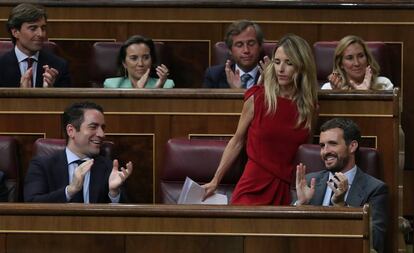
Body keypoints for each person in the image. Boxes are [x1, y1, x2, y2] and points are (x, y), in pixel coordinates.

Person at [202, 34, 318, 205]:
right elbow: (237, 141)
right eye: (277, 62)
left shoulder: (310, 108)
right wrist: (215, 179)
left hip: (285, 189)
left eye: (289, 63)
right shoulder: (258, 97)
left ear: (301, 66)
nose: (281, 69)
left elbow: (304, 152)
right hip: (252, 185)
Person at [295, 118, 387, 253]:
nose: (325, 152)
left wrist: (342, 207)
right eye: (322, 145)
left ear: (352, 146)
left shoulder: (375, 189)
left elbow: (376, 241)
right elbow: (291, 234)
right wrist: (300, 205)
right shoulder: (309, 181)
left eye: (332, 144)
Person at [24, 101, 133, 203]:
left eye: (102, 128)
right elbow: (32, 203)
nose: (101, 134)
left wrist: (114, 194)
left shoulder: (109, 168)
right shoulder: (43, 165)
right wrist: (70, 191)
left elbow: (128, 218)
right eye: (93, 127)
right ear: (71, 131)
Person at [0, 3, 71, 88]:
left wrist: (50, 92)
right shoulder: (2, 66)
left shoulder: (59, 66)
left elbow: (66, 101)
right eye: (33, 28)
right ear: (15, 32)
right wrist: (20, 95)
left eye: (43, 28)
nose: (40, 34)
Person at [203, 20, 268, 89]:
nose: (246, 50)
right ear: (230, 50)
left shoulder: (273, 75)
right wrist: (236, 92)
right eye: (239, 45)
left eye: (251, 44)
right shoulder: (214, 76)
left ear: (260, 46)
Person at [321, 35, 393, 90]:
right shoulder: (328, 88)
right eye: (350, 58)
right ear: (340, 64)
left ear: (367, 58)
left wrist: (367, 94)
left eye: (361, 56)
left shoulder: (383, 84)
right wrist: (338, 95)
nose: (357, 63)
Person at [104, 35, 174, 89]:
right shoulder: (112, 85)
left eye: (146, 58)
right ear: (124, 63)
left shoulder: (166, 85)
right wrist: (138, 91)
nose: (140, 64)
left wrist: (158, 89)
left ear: (152, 60)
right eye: (134, 58)